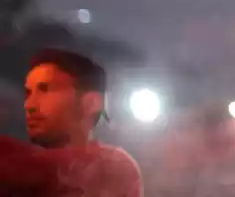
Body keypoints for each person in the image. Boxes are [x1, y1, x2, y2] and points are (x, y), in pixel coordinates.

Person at [0, 48, 143, 196]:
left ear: (91, 102)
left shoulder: (114, 165)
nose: (29, 105)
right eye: (28, 93)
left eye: (45, 90)